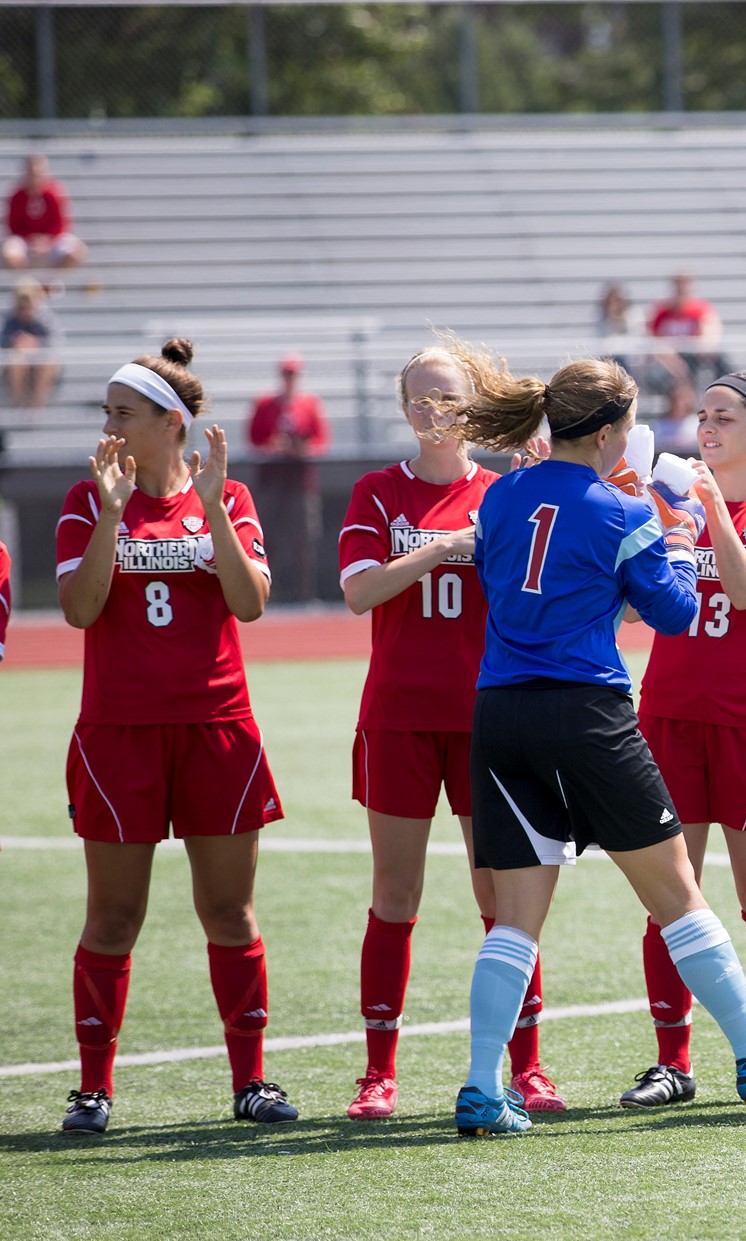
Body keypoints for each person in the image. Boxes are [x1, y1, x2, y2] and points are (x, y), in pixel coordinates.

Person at [445, 348, 746, 1135]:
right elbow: (673, 611)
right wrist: (679, 520)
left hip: (499, 713)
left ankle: (483, 1086)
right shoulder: (621, 511)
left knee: (516, 919)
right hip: (588, 714)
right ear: (608, 433)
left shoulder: (499, 497)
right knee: (679, 897)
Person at [54, 339, 294, 1135]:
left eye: (124, 413)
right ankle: (93, 1089)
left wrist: (218, 508)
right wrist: (115, 510)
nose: (110, 426)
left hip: (216, 728)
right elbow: (80, 611)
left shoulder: (231, 496)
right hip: (118, 733)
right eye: (108, 413)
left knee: (230, 912)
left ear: (170, 423)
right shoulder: (87, 499)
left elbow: (249, 603)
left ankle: (251, 1082)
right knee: (113, 918)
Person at [334, 347, 566, 1119]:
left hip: (488, 718)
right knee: (395, 895)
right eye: (423, 399)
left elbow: (540, 595)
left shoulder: (504, 495)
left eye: (450, 399)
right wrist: (440, 545)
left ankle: (527, 1065)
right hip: (397, 718)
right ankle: (379, 1073)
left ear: (474, 407)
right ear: (404, 408)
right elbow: (362, 590)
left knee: (502, 896)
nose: (436, 412)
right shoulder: (377, 491)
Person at [622, 373, 746, 1108]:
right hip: (669, 715)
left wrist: (707, 508)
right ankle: (671, 1059)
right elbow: (635, 609)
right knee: (672, 895)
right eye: (701, 414)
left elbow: (745, 587)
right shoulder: (667, 500)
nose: (706, 426)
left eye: (724, 415)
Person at [247, 354, 332, 604]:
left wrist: (301, 450)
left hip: (300, 482)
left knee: (303, 539)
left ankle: (305, 593)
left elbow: (320, 441)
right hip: (272, 482)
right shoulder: (264, 404)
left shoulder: (309, 404)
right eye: (286, 374)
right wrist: (273, 447)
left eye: (293, 374)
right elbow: (254, 439)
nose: (289, 379)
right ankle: (268, 593)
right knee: (267, 538)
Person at [5, 154, 87, 271]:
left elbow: (61, 223)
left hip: (52, 240)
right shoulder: (17, 195)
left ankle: (50, 280)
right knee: (10, 254)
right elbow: (14, 225)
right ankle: (28, 281)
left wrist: (46, 240)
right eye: (31, 172)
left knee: (77, 252)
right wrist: (32, 238)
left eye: (38, 172)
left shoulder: (54, 192)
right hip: (26, 241)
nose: (34, 176)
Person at [4, 277, 60, 409]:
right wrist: (14, 344)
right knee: (15, 361)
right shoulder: (7, 321)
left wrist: (35, 345)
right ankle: (19, 406)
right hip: (15, 363)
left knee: (46, 364)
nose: (24, 309)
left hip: (41, 362)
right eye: (21, 305)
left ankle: (36, 407)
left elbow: (55, 343)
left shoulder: (47, 320)